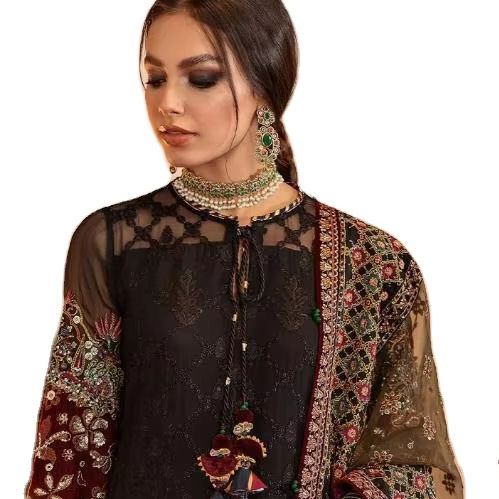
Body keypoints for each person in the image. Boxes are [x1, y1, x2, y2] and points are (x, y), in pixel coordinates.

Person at [24, 1, 464, 498]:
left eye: (202, 79)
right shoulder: (112, 243)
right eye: (154, 79)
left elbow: (415, 466)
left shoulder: (375, 263)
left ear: (265, 84)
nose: (168, 103)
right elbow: (71, 457)